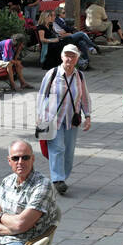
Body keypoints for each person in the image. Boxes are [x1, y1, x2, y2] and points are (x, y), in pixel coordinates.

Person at [37, 45, 92, 195]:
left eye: (73, 56)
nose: (69, 58)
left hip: (71, 120)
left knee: (68, 151)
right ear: (62, 57)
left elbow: (84, 97)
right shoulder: (53, 73)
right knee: (58, 148)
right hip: (52, 118)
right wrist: (39, 116)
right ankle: (58, 179)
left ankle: (63, 176)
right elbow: (42, 95)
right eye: (67, 55)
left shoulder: (79, 76)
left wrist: (87, 115)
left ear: (77, 59)